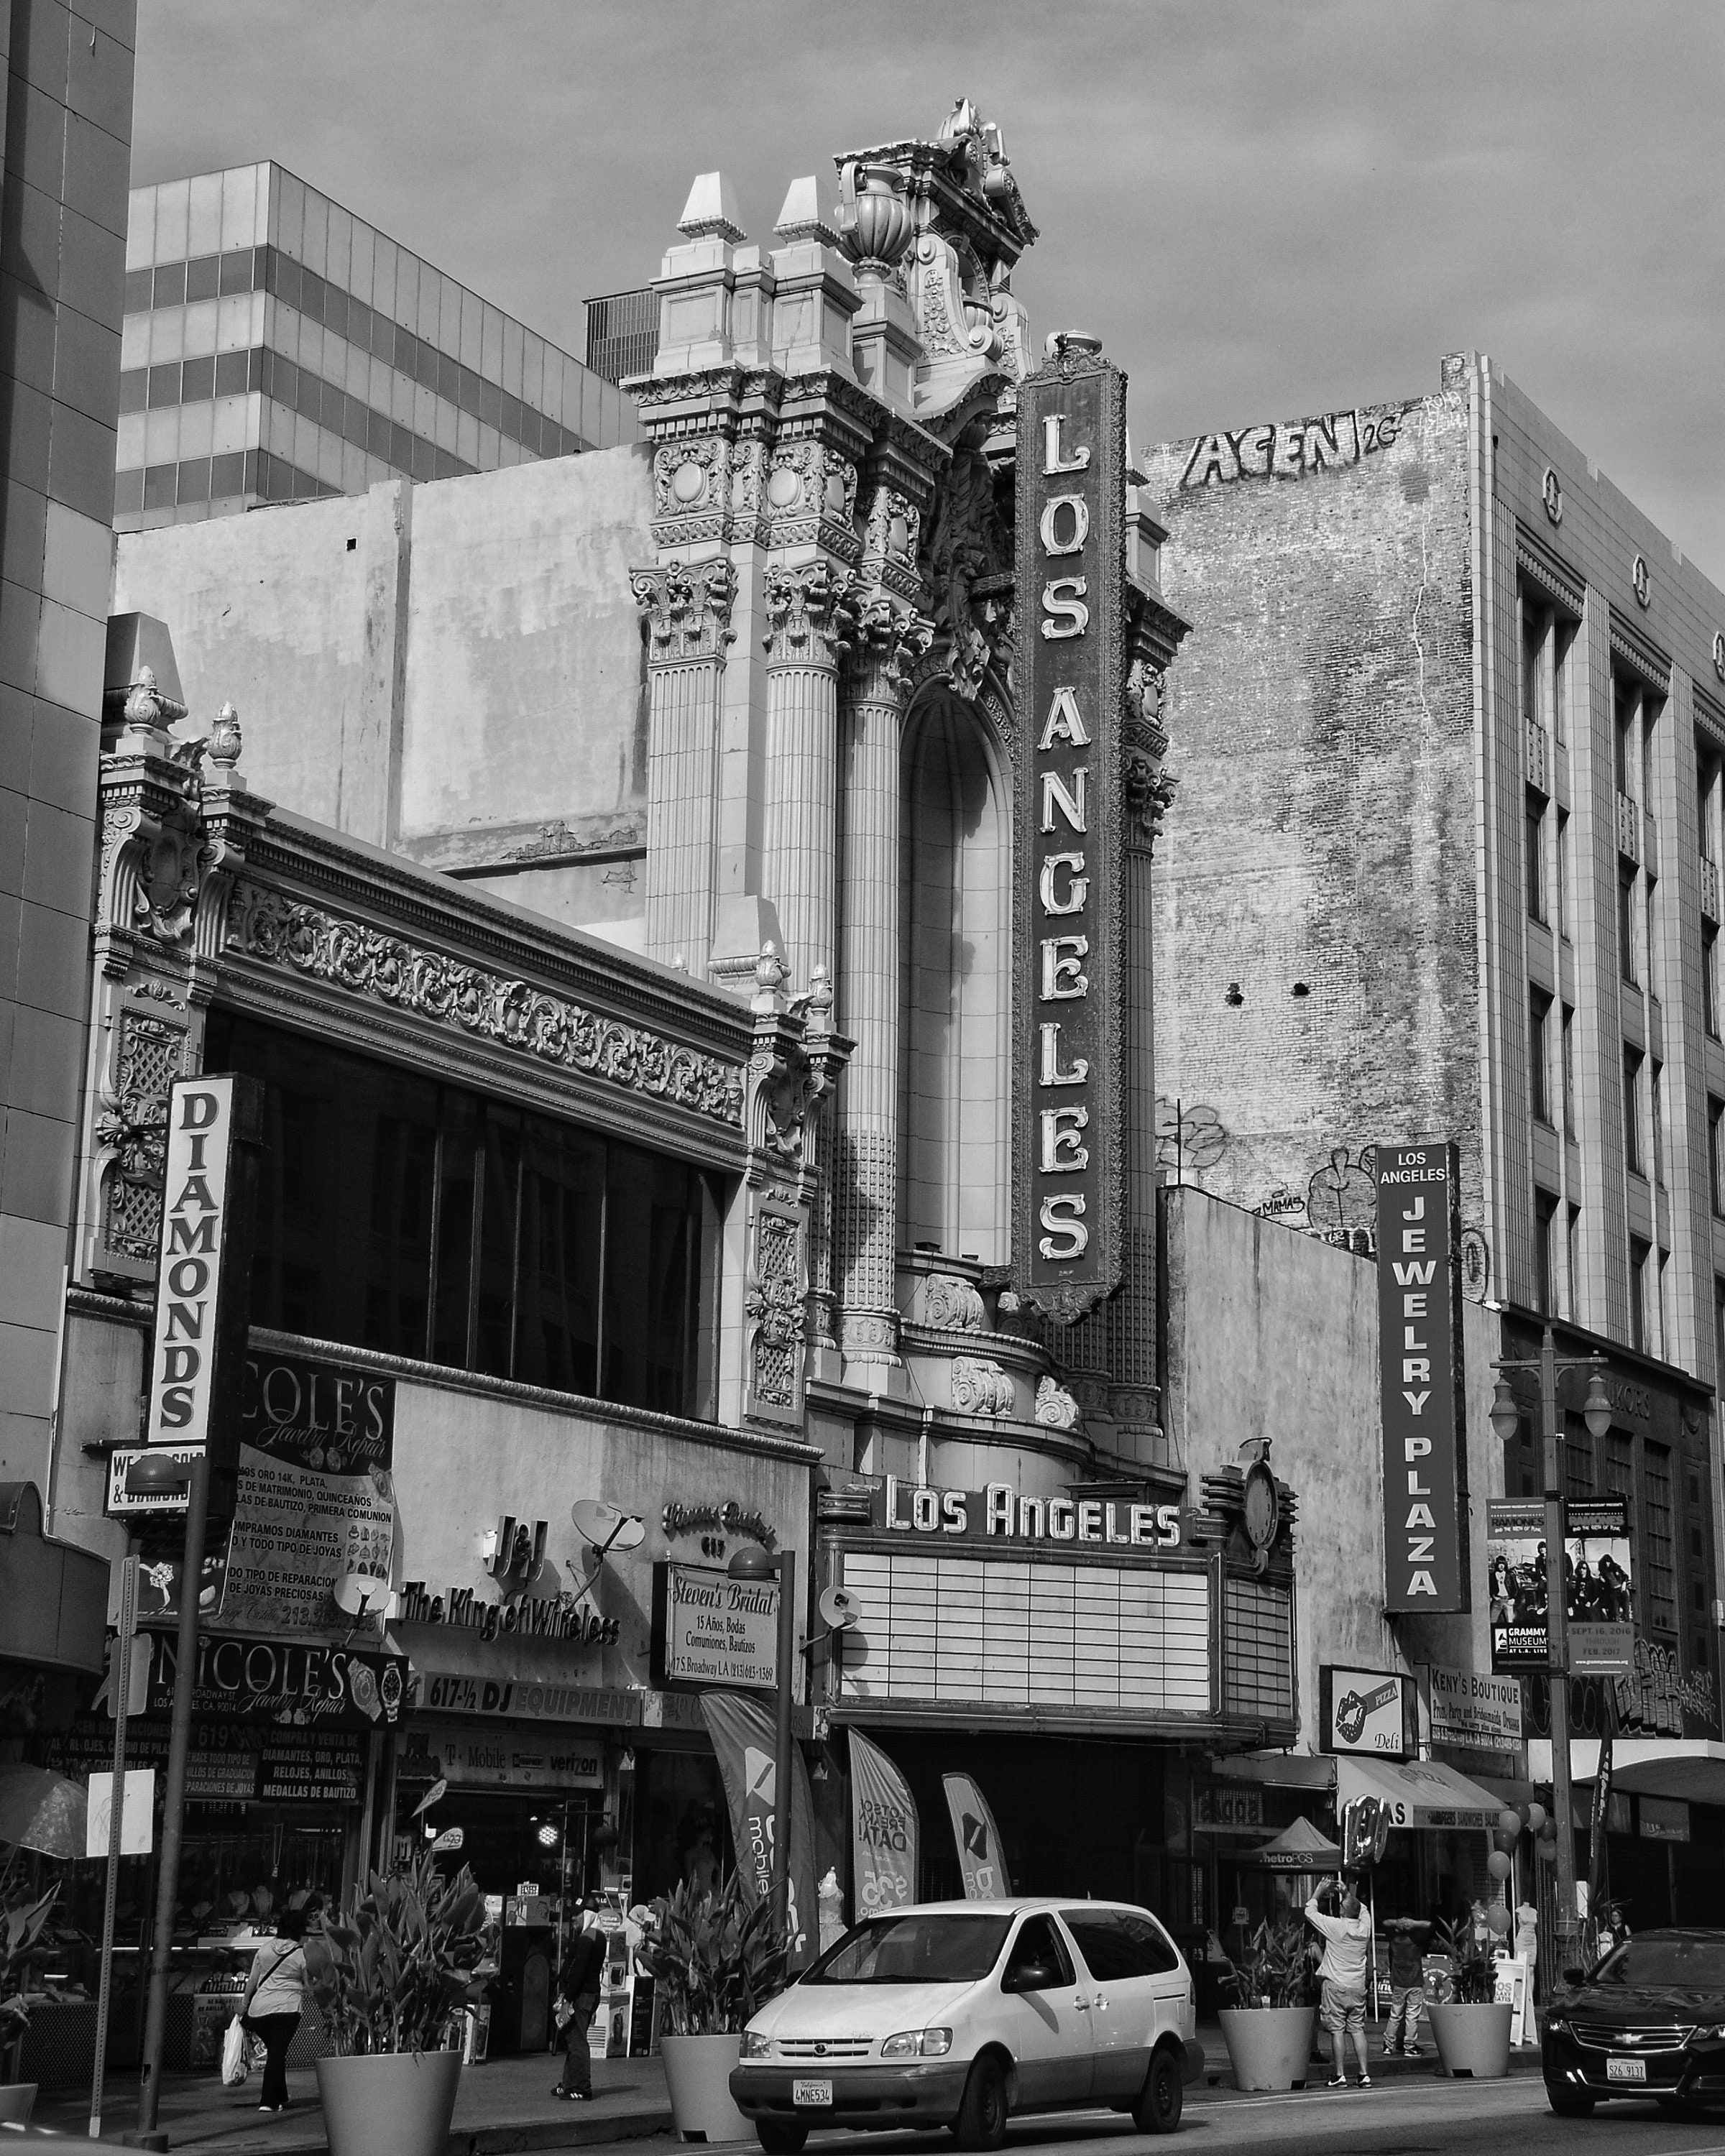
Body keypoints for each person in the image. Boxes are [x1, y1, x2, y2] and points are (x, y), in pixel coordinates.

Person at [1304, 1878, 1374, 2089]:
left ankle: (1340, 2074)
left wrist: (1318, 1892)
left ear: (1343, 1912)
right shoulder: (1364, 1929)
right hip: (1357, 1986)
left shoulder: (1336, 1926)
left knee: (1337, 2030)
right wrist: (1347, 1895)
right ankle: (1363, 2074)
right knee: (1357, 2029)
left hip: (1335, 1985)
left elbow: (1310, 1913)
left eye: (1341, 1906)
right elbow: (1363, 1911)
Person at [242, 1907, 309, 2114]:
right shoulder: (301, 1954)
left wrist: (243, 2006)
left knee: (276, 2053)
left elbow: (253, 1980)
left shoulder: (265, 1949)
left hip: (259, 2010)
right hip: (287, 2008)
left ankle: (281, 2095)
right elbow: (308, 1985)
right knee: (277, 2054)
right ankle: (269, 2101)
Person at [553, 1896, 606, 2101]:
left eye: (578, 1914)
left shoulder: (588, 1938)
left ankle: (582, 2088)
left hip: (582, 1995)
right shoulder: (596, 1935)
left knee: (577, 2042)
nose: (574, 1918)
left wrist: (568, 1998)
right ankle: (568, 2084)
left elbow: (578, 1970)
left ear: (589, 1914)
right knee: (572, 2038)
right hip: (589, 1994)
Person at [1381, 1917, 1430, 2058]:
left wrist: (1398, 1922)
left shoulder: (1394, 1940)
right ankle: (1409, 2046)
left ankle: (1388, 2045)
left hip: (1398, 1982)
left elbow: (1385, 1923)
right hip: (1415, 1982)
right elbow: (1430, 1925)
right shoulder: (1417, 1940)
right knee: (1412, 2016)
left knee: (1395, 2015)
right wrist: (1414, 1923)